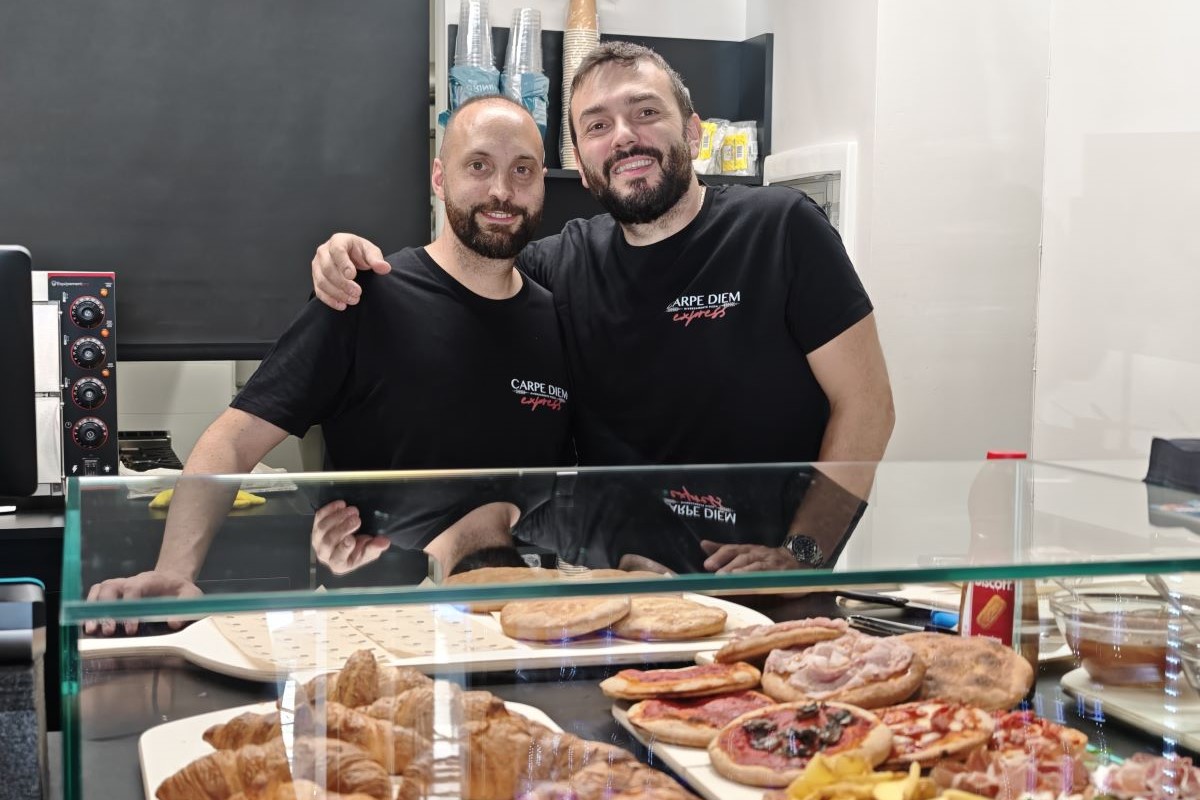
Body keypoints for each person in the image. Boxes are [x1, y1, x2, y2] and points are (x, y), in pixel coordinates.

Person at [309, 43, 895, 572]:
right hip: (616, 598)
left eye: (645, 112)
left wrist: (802, 556)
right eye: (597, 125)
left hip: (768, 599)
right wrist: (347, 255)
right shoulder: (554, 267)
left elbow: (867, 406)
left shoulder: (780, 229)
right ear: (583, 169)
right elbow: (442, 298)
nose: (623, 136)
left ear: (691, 133)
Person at [85, 96, 571, 631]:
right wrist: (175, 570)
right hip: (372, 628)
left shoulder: (557, 320)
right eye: (478, 166)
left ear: (543, 182)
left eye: (521, 170)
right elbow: (234, 438)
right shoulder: (365, 298)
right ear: (439, 176)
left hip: (522, 628)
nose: (501, 190)